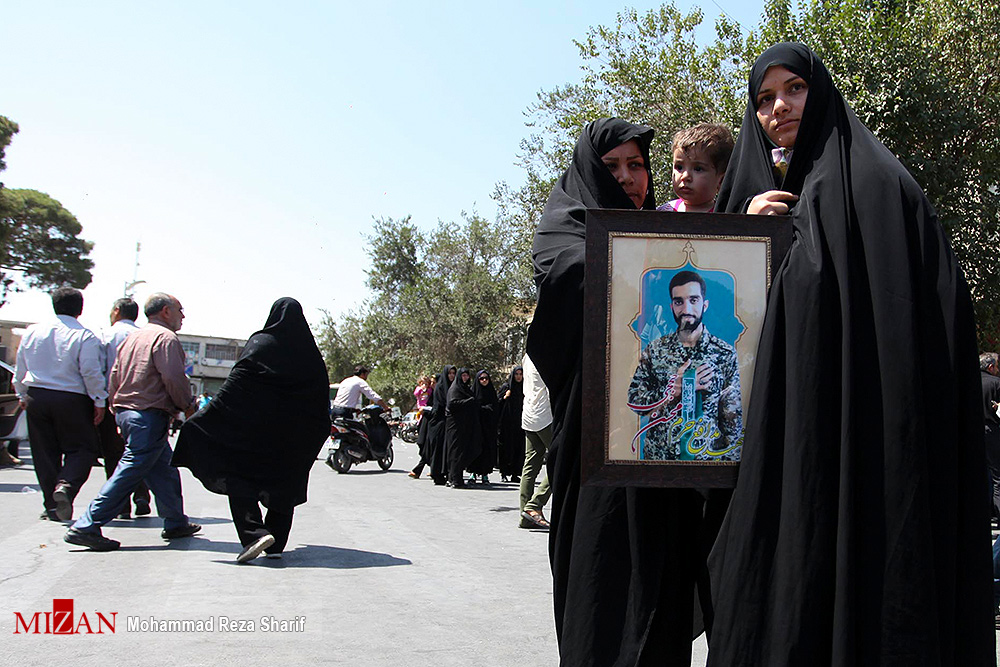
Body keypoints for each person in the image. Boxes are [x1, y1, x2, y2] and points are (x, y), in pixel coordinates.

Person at [706, 43, 994, 664]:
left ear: (823, 93)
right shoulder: (792, 188)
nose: (778, 107)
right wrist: (747, 230)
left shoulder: (870, 183)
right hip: (791, 445)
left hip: (866, 439)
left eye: (793, 90)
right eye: (763, 99)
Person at [528, 117, 730, 664]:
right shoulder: (564, 230)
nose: (628, 177)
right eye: (612, 166)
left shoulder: (674, 242)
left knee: (660, 601)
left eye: (637, 165)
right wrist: (635, 254)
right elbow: (568, 280)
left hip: (665, 465)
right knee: (601, 596)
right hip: (597, 457)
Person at [172, 298, 330, 563]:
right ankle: (276, 541)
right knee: (286, 481)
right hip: (292, 438)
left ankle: (254, 533)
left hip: (254, 433)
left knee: (237, 476)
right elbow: (319, 400)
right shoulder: (310, 355)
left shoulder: (261, 343)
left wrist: (203, 418)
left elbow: (235, 386)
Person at [65, 293, 201, 552]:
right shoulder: (165, 338)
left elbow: (114, 375)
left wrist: (116, 409)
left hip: (131, 413)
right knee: (130, 470)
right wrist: (187, 406)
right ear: (165, 312)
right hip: (148, 414)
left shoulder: (133, 337)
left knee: (164, 469)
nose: (183, 315)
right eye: (180, 310)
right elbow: (173, 377)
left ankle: (175, 521)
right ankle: (86, 525)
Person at [626, 270, 742, 461]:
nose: (686, 309)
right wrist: (672, 390)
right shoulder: (655, 350)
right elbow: (635, 403)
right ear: (672, 306)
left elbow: (732, 418)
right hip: (659, 462)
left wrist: (729, 471)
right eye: (679, 302)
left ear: (705, 305)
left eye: (693, 300)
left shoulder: (725, 354)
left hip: (707, 463)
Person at [13, 287, 107, 522]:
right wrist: (99, 399)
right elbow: (90, 370)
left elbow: (20, 367)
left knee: (44, 453)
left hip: (37, 396)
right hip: (72, 398)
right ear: (80, 309)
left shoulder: (33, 332)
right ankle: (66, 486)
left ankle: (51, 507)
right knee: (84, 449)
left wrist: (21, 394)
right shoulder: (85, 336)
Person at [97, 297, 151, 519]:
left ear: (116, 311)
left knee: (113, 455)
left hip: (113, 403)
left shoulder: (104, 336)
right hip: (144, 406)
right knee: (139, 454)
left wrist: (99, 402)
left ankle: (121, 506)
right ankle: (141, 495)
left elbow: (98, 370)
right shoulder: (146, 336)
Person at [657, 123, 734, 213]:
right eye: (679, 167)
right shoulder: (663, 211)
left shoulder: (724, 216)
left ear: (721, 181)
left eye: (698, 169)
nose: (685, 176)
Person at [518, 353, 552, 530]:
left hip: (529, 413)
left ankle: (525, 515)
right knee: (561, 460)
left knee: (530, 465)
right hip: (544, 416)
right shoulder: (545, 355)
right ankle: (535, 505)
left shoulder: (527, 356)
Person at [444, 368, 479, 489]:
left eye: (467, 376)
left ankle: (455, 477)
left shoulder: (465, 389)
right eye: (463, 376)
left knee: (461, 452)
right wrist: (469, 401)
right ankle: (455, 479)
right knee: (455, 452)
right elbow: (452, 404)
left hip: (464, 426)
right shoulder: (455, 389)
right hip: (455, 426)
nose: (465, 378)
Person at [467, 369, 498, 484]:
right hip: (475, 427)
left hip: (488, 428)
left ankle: (485, 474)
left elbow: (495, 408)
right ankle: (473, 474)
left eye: (486, 378)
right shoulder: (473, 392)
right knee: (475, 449)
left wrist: (484, 410)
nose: (484, 380)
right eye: (481, 378)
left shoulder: (491, 392)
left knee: (487, 450)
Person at [427, 365, 455, 485]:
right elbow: (439, 405)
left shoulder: (453, 387)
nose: (452, 376)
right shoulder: (440, 387)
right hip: (438, 422)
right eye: (449, 373)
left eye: (454, 373)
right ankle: (437, 474)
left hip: (448, 423)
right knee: (438, 450)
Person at [496, 366, 524, 483]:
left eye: (520, 374)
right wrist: (505, 397)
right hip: (507, 424)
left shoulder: (524, 388)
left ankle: (515, 473)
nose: (518, 376)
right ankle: (504, 472)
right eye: (516, 374)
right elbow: (497, 403)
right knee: (506, 448)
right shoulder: (506, 387)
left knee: (518, 448)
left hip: (520, 424)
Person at [982, 353, 1000, 520]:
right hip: (992, 430)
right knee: (997, 477)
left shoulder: (969, 381)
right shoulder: (996, 383)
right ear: (990, 367)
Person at [409, 374, 435, 479]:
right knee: (422, 443)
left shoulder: (432, 392)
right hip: (422, 418)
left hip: (430, 419)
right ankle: (432, 466)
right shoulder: (420, 390)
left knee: (428, 446)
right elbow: (416, 394)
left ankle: (419, 469)